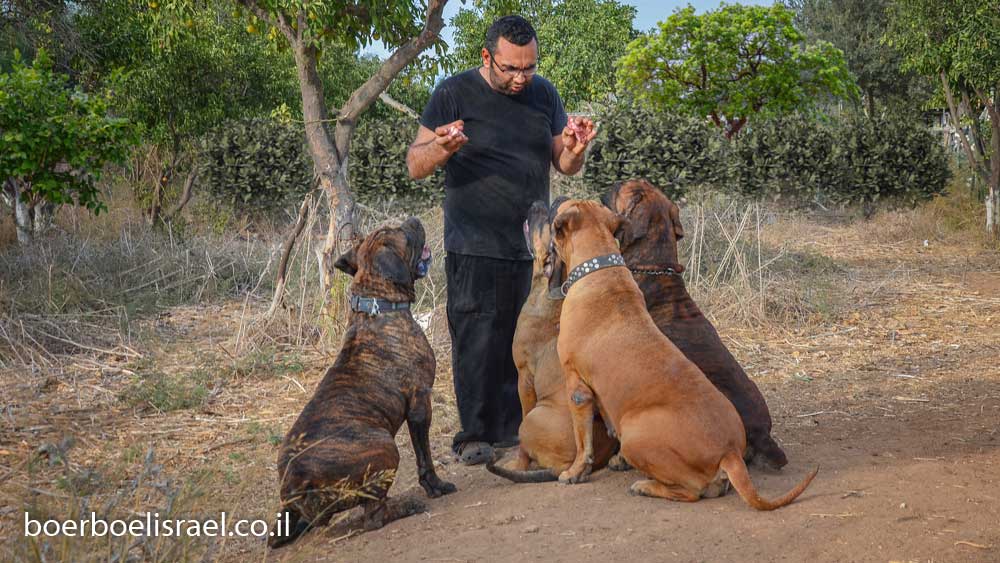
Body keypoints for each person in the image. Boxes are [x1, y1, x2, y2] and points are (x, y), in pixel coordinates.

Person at [406, 15, 596, 465]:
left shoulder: (544, 94)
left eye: (528, 67)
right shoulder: (453, 93)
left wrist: (575, 148)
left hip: (534, 248)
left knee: (529, 340)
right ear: (487, 57)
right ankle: (474, 435)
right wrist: (443, 147)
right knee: (477, 341)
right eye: (511, 68)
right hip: (473, 243)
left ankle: (520, 431)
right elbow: (415, 163)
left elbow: (563, 164)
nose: (520, 78)